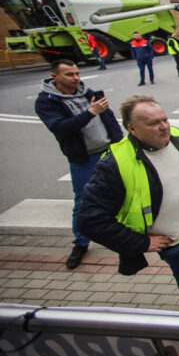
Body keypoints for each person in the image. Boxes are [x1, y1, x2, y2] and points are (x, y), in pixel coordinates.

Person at [77, 96, 179, 294]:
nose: (164, 127)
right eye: (153, 123)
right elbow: (89, 220)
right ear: (132, 129)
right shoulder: (114, 164)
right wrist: (142, 243)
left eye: (165, 120)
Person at [35, 59, 123, 269]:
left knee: (123, 192)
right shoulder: (47, 101)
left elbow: (108, 118)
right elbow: (60, 128)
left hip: (109, 151)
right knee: (83, 201)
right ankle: (81, 244)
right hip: (84, 158)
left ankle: (125, 237)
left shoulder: (86, 91)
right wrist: (91, 112)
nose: (76, 78)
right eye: (69, 74)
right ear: (55, 77)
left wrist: (120, 143)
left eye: (77, 73)